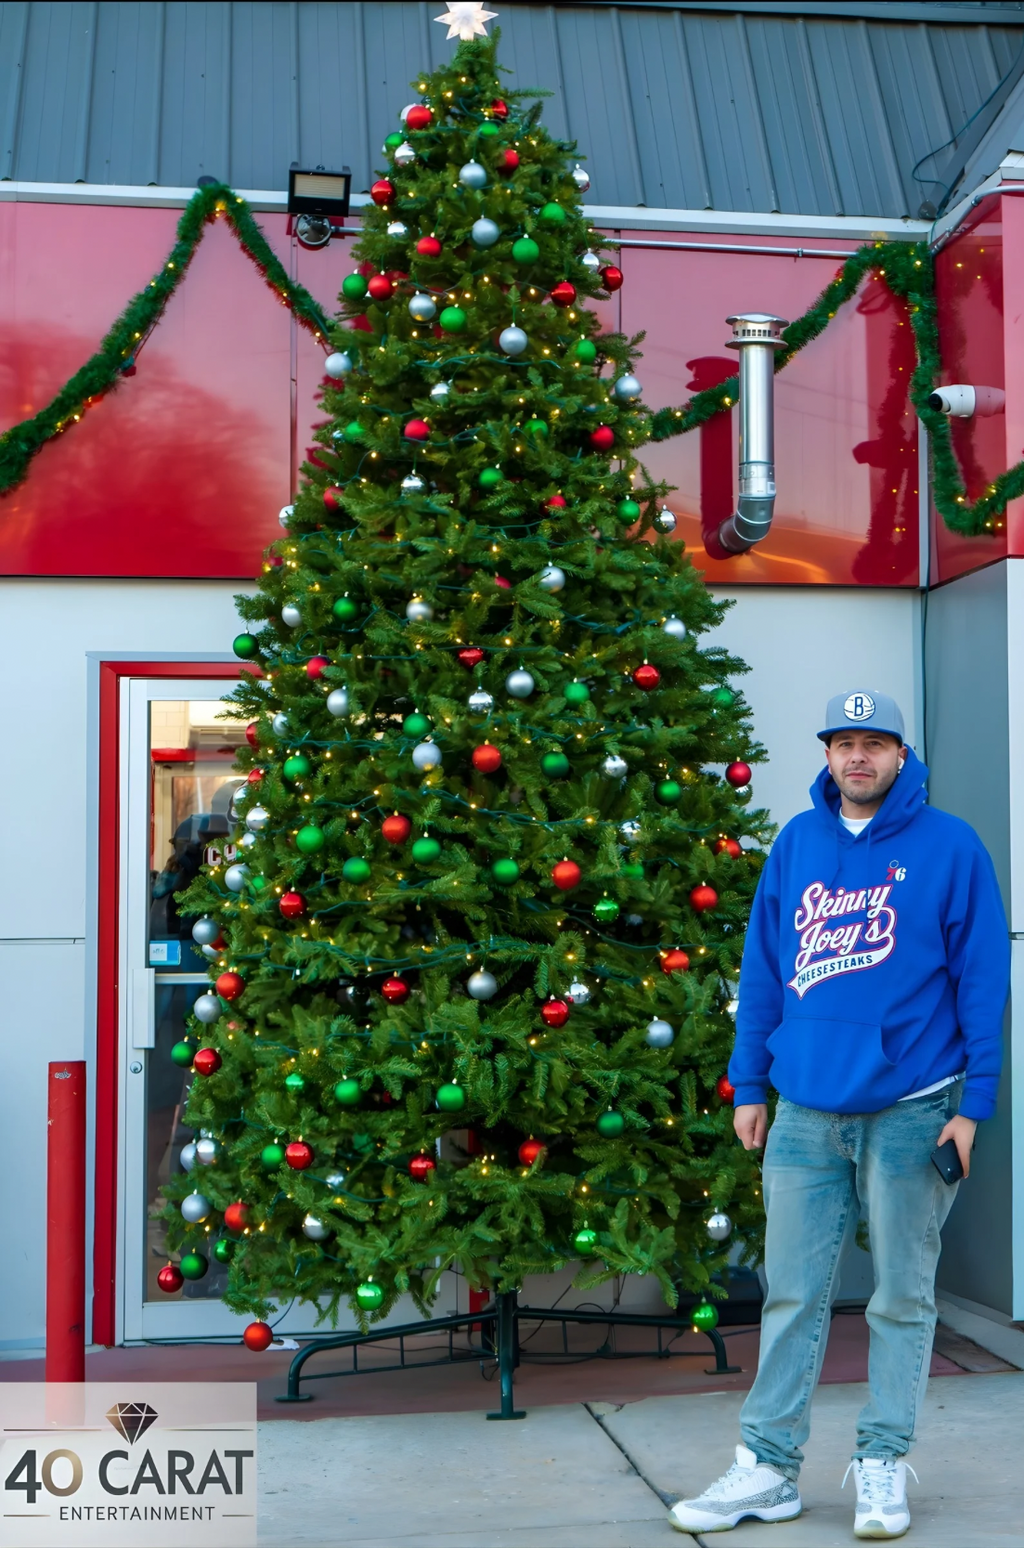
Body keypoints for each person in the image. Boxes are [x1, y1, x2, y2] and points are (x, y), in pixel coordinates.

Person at [669, 691, 1009, 1540]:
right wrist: (749, 1084)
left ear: (901, 756)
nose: (858, 758)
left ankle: (883, 1459)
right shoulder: (797, 844)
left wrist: (974, 1108)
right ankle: (768, 1468)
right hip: (804, 1111)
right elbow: (762, 970)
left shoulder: (951, 846)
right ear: (826, 756)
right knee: (791, 1294)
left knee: (901, 1295)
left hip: (912, 1110)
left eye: (875, 744)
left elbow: (983, 984)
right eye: (844, 744)